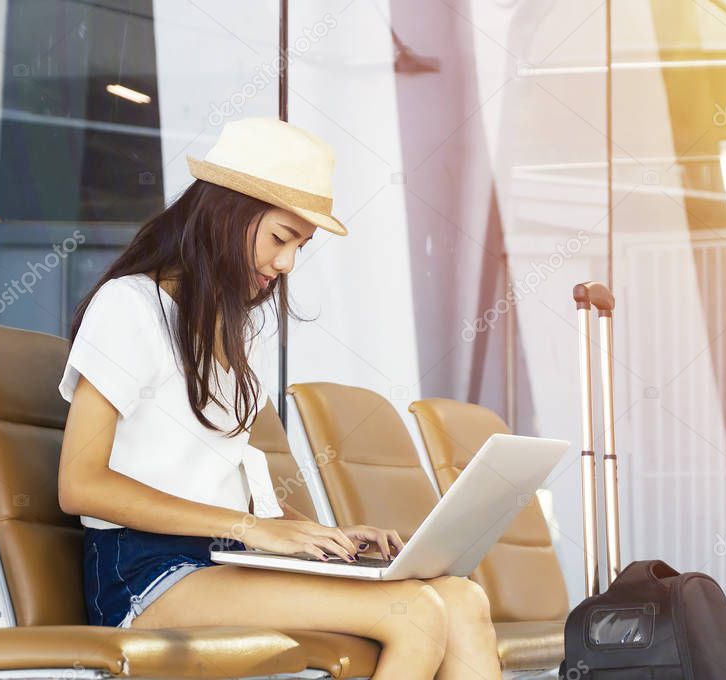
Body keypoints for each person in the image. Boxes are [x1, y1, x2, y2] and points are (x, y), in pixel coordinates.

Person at [56, 117, 501, 680]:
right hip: (145, 576)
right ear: (226, 213)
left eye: (300, 246)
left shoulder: (228, 333)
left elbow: (224, 486)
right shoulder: (130, 307)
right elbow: (80, 485)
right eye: (280, 238)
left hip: (221, 557)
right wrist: (249, 528)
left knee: (462, 600)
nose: (287, 263)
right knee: (415, 613)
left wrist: (320, 533)